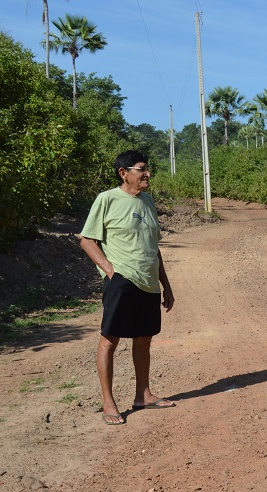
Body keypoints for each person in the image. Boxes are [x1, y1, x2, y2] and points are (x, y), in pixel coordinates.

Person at [79, 150, 176, 425]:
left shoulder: (148, 201)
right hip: (122, 281)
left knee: (144, 338)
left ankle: (143, 395)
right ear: (124, 173)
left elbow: (153, 247)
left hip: (148, 282)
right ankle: (108, 402)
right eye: (141, 169)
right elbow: (87, 240)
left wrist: (166, 284)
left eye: (147, 169)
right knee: (110, 340)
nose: (147, 174)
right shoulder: (107, 199)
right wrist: (111, 272)